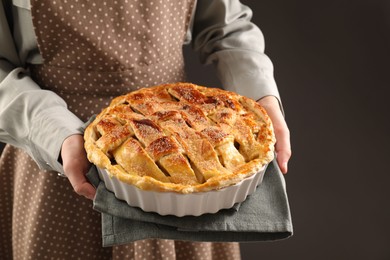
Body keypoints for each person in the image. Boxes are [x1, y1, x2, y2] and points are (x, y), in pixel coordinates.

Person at [0, 0, 291, 259]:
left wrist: (259, 94)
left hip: (188, 151)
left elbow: (226, 27)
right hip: (56, 157)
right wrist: (55, 133)